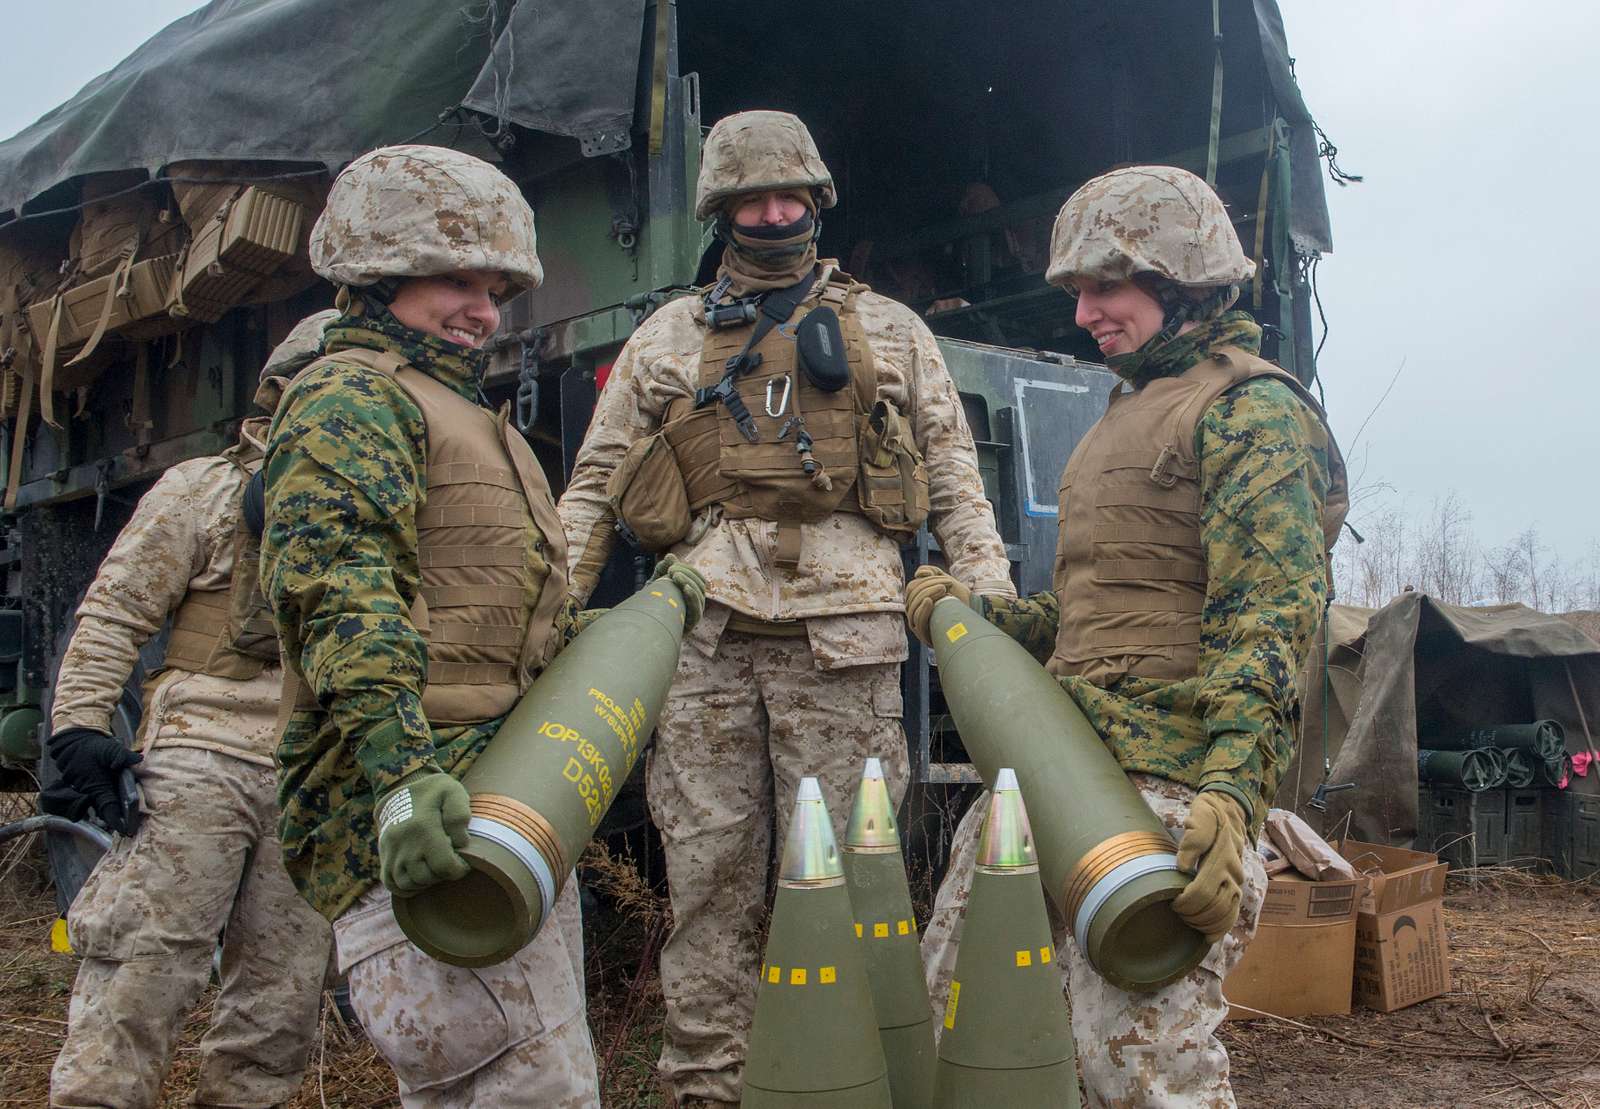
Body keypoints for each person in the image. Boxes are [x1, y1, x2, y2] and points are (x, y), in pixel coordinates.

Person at [557, 110, 1015, 1107]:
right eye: (751, 200)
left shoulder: (892, 330)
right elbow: (594, 488)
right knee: (708, 889)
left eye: (789, 196)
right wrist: (545, 616)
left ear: (816, 200)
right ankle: (705, 1085)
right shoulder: (665, 338)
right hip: (704, 639)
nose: (773, 215)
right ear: (720, 211)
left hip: (845, 640)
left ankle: (843, 1080)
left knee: (856, 887)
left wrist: (993, 611)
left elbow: (953, 478)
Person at [907, 164, 1348, 1107]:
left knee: (1141, 1072)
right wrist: (978, 619)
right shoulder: (1127, 409)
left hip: (1168, 797)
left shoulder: (1252, 411)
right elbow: (1092, 616)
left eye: (1104, 287)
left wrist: (1233, 797)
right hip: (1057, 773)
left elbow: (1268, 622)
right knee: (959, 1021)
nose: (1082, 316)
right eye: (1077, 291)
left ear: (1179, 280)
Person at [260, 145, 686, 1109]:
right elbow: (343, 598)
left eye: (494, 287)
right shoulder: (352, 398)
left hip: (490, 801)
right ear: (377, 272)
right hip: (433, 812)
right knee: (525, 1090)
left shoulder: (453, 409)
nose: (482, 310)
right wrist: (403, 782)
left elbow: (501, 607)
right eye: (456, 279)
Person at [45, 310, 339, 1109]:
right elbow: (114, 614)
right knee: (138, 981)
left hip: (310, 767)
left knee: (278, 1011)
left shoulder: (378, 502)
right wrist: (76, 730)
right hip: (196, 763)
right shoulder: (203, 490)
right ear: (281, 394)